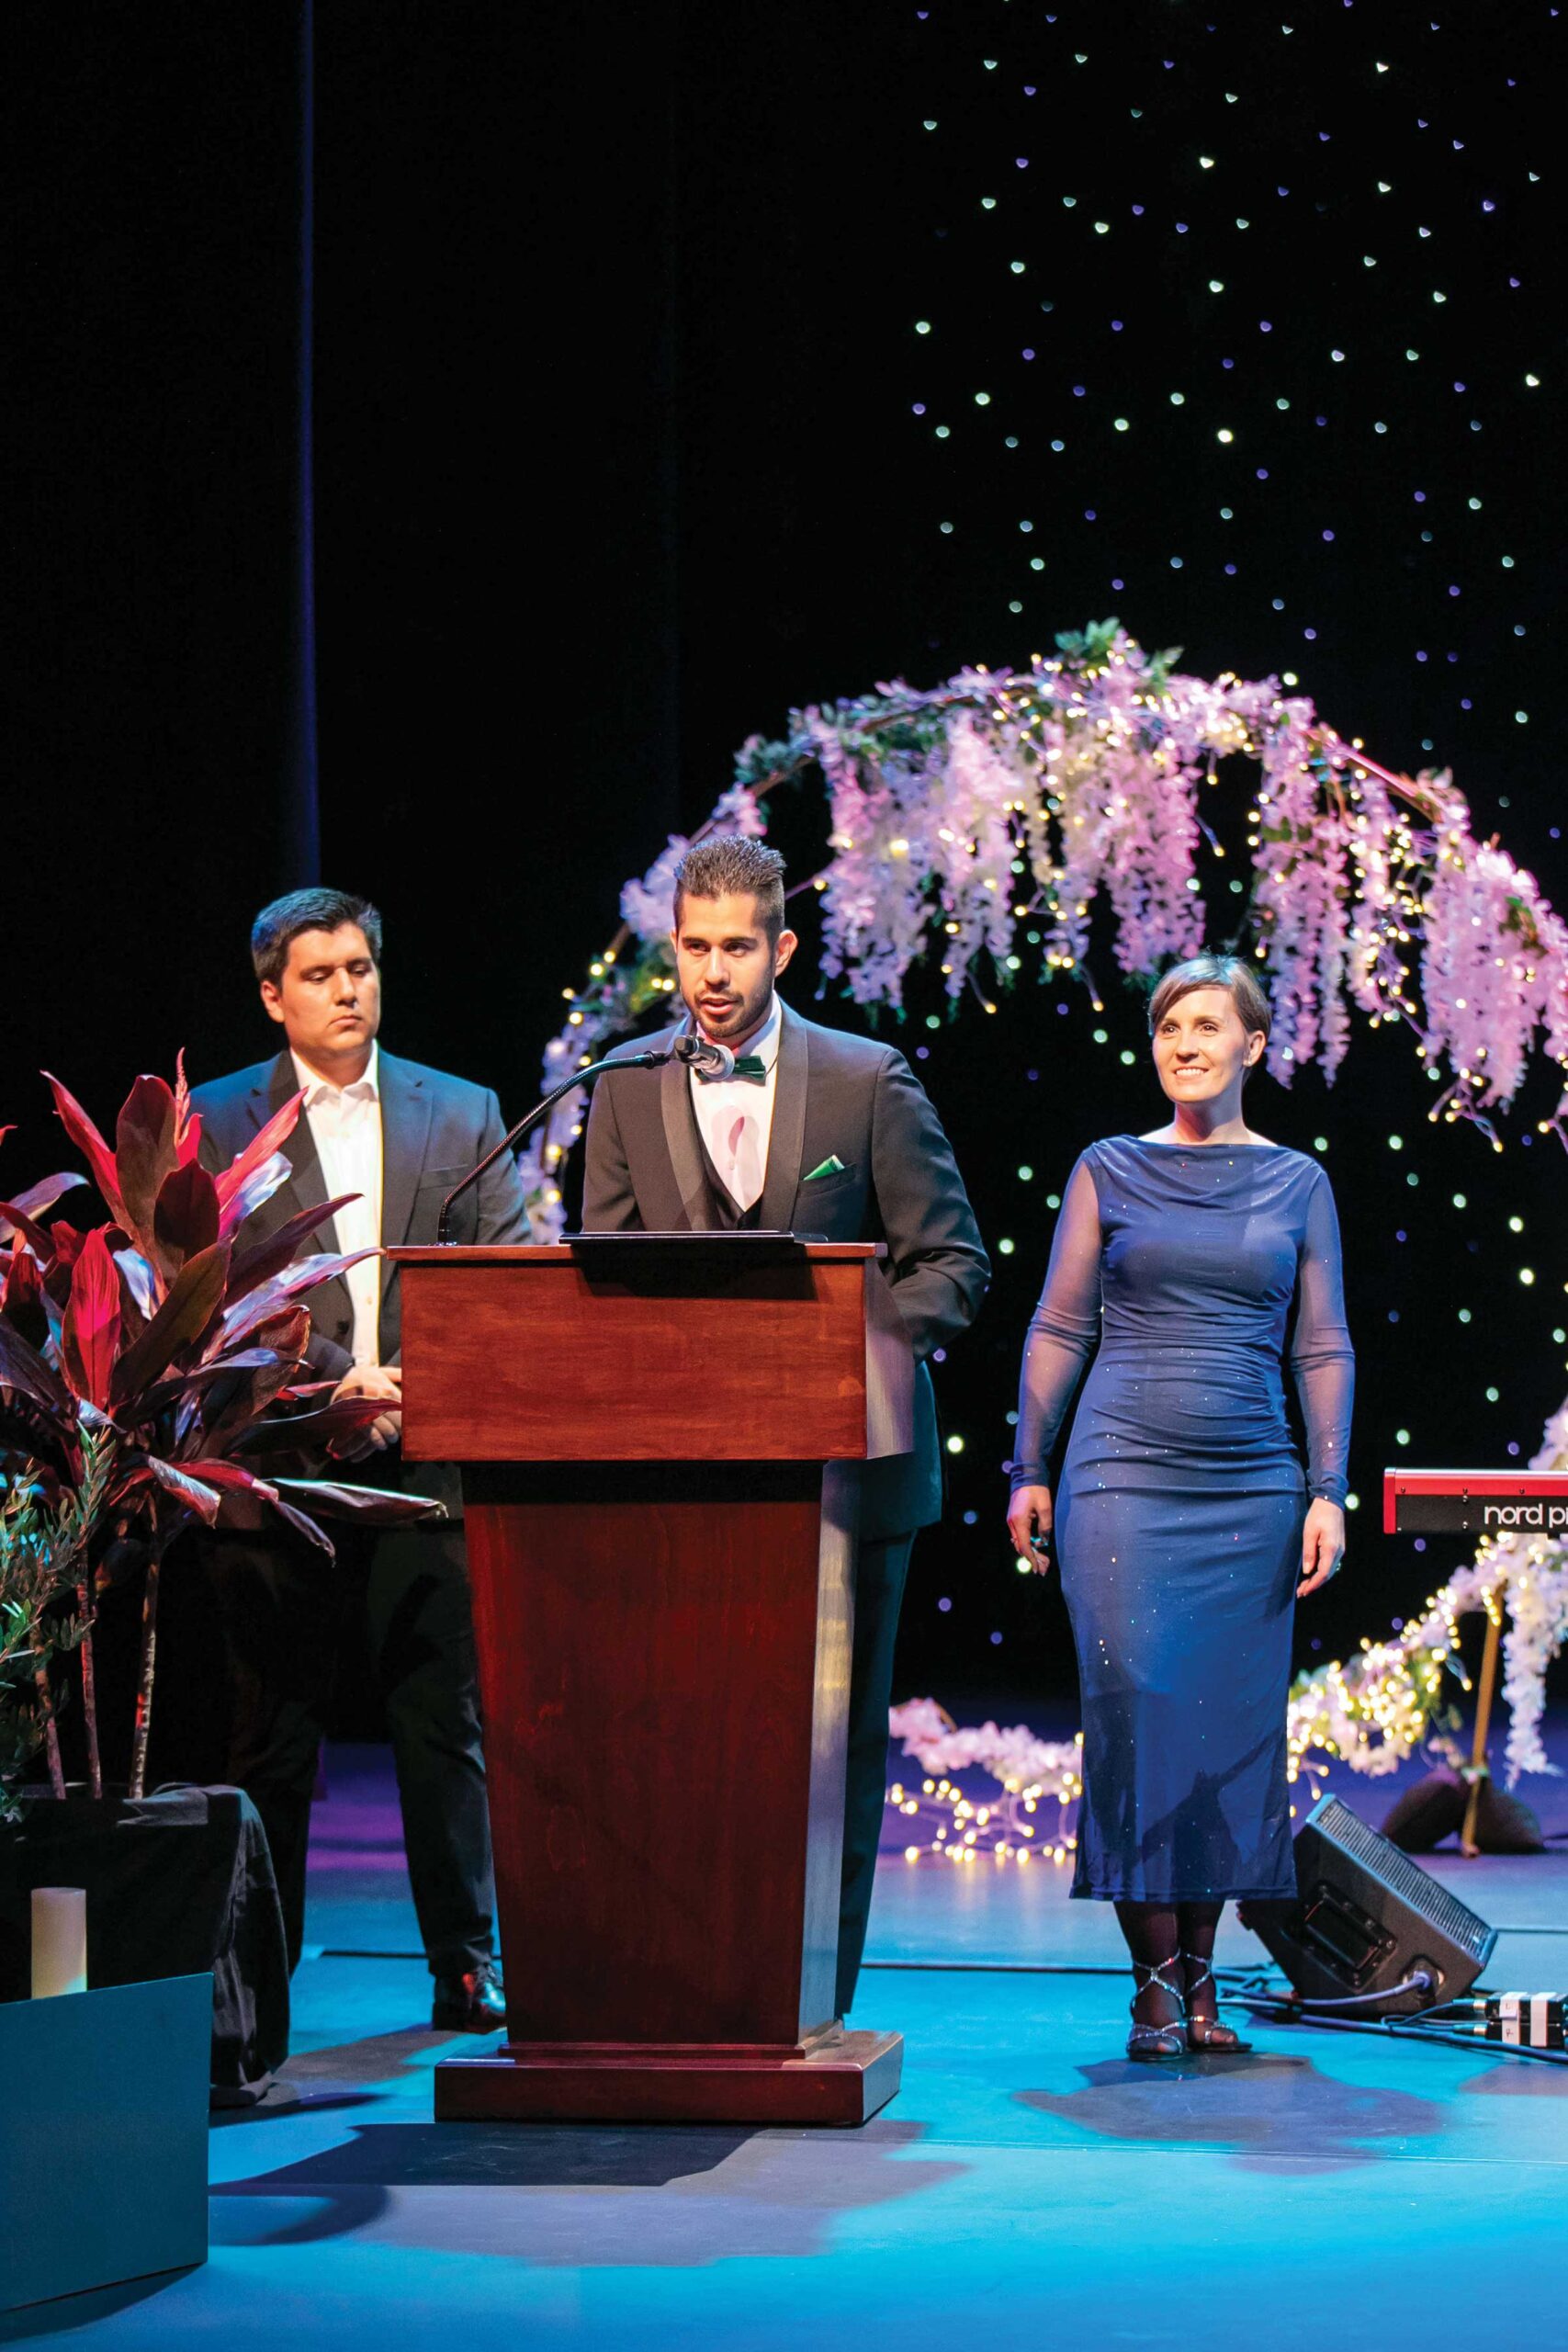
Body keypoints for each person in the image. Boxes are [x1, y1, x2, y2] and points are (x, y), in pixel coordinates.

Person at [582, 835, 989, 2021]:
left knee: (833, 1746)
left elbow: (951, 1265)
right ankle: (694, 1986)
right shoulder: (622, 1083)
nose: (713, 973)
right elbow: (599, 1278)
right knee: (685, 1742)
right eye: (694, 948)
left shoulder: (867, 1079)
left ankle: (816, 2001)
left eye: (737, 948)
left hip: (848, 1479)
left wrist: (834, 1356)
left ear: (783, 949)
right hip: (681, 1483)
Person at [186, 887, 528, 2029]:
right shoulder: (218, 1118)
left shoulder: (462, 1109)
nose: (347, 990)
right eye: (320, 974)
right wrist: (341, 1378)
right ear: (272, 995)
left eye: (360, 968)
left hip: (425, 1459)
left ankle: (466, 1963)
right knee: (274, 1738)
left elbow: (501, 1272)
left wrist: (408, 1383)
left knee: (443, 1723)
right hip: (283, 1466)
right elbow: (212, 1288)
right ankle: (257, 1982)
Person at [1005, 953, 1353, 2061]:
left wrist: (1328, 1489)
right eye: (1168, 1027)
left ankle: (1202, 1984)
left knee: (1221, 1736)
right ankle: (1152, 1982)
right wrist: (1029, 1466)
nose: (1186, 1044)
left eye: (1207, 1025)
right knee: (1139, 1717)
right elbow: (1060, 1325)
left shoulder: (1298, 1182)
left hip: (1251, 1488)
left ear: (1254, 1044)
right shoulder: (1108, 1167)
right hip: (1121, 1478)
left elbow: (1322, 1344)